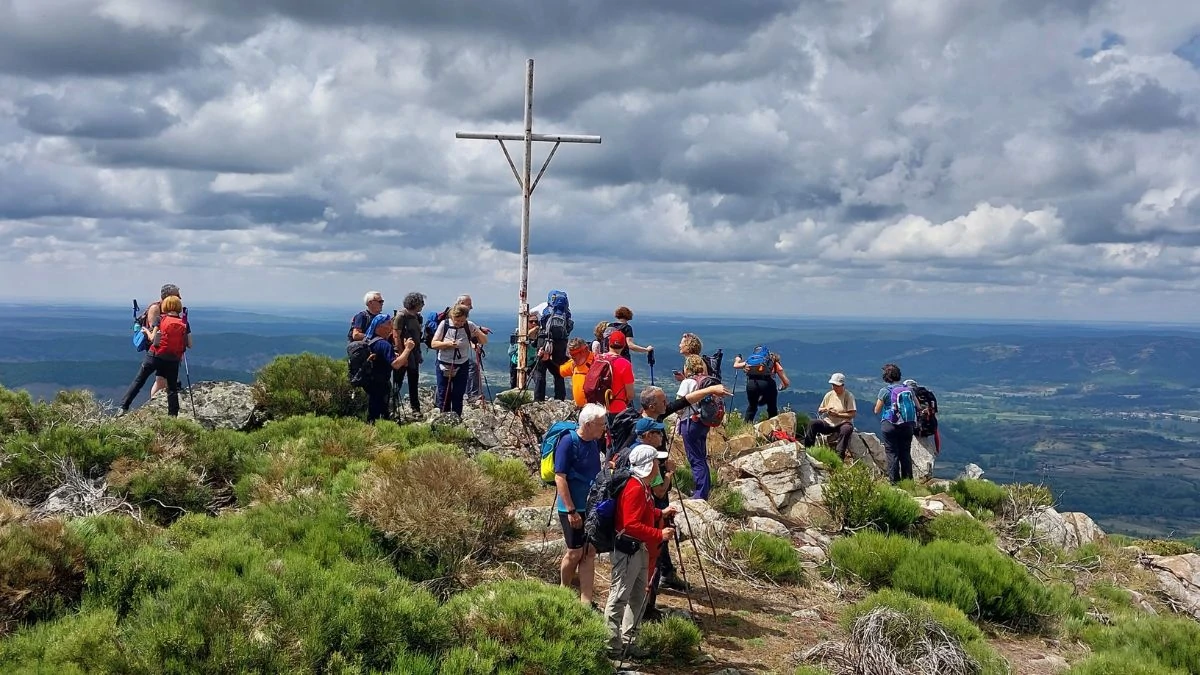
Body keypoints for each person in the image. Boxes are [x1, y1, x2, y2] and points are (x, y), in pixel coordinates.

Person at [605, 444, 677, 659]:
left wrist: (659, 512)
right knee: (619, 597)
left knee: (638, 596)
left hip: (638, 549)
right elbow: (630, 524)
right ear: (649, 464)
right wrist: (658, 535)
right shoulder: (635, 488)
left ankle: (627, 642)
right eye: (656, 461)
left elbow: (642, 511)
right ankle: (612, 647)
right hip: (629, 550)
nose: (659, 465)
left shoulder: (641, 485)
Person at [554, 403, 607, 608]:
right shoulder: (568, 442)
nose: (603, 428)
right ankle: (563, 592)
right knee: (575, 552)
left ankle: (586, 602)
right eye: (600, 424)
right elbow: (560, 478)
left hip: (591, 507)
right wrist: (571, 510)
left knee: (589, 551)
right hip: (571, 509)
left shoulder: (593, 442)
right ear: (588, 424)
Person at [120, 295, 192, 417]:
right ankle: (172, 416)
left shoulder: (160, 319)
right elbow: (190, 344)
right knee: (172, 389)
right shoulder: (184, 323)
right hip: (173, 359)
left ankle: (124, 407)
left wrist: (146, 331)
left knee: (139, 380)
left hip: (155, 356)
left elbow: (153, 338)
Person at [430, 304, 488, 416]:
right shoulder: (445, 324)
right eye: (457, 320)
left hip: (462, 363)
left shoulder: (469, 325)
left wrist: (477, 333)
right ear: (452, 316)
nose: (460, 323)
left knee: (458, 393)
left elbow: (484, 341)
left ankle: (457, 417)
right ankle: (444, 418)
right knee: (444, 393)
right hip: (444, 362)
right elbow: (434, 343)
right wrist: (447, 344)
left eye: (462, 321)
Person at [675, 355, 717, 499]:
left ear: (687, 368)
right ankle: (705, 489)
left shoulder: (687, 382)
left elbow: (679, 404)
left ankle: (700, 494)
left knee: (695, 458)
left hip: (689, 422)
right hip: (703, 422)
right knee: (701, 456)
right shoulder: (706, 380)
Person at [362, 315, 418, 423]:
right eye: (388, 324)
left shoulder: (369, 340)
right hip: (381, 382)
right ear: (379, 327)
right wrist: (408, 349)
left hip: (369, 380)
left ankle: (369, 429)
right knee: (381, 411)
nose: (390, 326)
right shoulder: (384, 344)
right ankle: (379, 431)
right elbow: (396, 364)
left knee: (372, 409)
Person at [138, 283, 186, 399]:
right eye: (177, 294)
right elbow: (153, 332)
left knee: (162, 379)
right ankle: (154, 404)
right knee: (160, 380)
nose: (179, 297)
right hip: (157, 349)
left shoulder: (168, 309)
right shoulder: (156, 308)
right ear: (168, 295)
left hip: (167, 349)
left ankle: (159, 402)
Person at [874, 363, 915, 483]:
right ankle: (908, 482)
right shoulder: (908, 390)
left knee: (892, 453)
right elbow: (916, 406)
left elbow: (877, 410)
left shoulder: (884, 391)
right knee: (905, 453)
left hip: (889, 425)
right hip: (907, 425)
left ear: (886, 377)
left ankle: (894, 483)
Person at [803, 373, 857, 460]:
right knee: (813, 424)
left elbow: (852, 414)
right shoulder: (829, 395)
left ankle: (839, 457)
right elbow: (820, 409)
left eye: (836, 385)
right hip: (829, 422)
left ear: (842, 385)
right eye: (833, 385)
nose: (834, 387)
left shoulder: (848, 396)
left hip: (843, 422)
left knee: (846, 429)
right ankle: (808, 450)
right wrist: (826, 409)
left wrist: (838, 414)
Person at [732, 347, 791, 422]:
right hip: (767, 384)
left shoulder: (751, 361)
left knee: (752, 407)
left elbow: (736, 365)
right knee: (772, 407)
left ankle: (746, 426)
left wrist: (737, 359)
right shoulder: (773, 362)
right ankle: (774, 427)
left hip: (752, 384)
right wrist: (782, 387)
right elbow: (786, 382)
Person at [391, 292, 425, 415]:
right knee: (398, 381)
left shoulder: (416, 316)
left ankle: (415, 408)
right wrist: (402, 355)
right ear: (415, 304)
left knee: (413, 380)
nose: (423, 305)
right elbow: (396, 335)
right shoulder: (401, 316)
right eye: (421, 302)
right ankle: (392, 406)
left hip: (414, 353)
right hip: (405, 353)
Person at [454, 294, 491, 402]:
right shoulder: (454, 317)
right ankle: (473, 395)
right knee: (472, 367)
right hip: (453, 352)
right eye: (469, 304)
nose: (471, 307)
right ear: (461, 304)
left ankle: (470, 394)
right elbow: (461, 333)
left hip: (456, 351)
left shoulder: (456, 316)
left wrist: (473, 343)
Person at [600, 331, 636, 415]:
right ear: (624, 346)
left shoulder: (598, 358)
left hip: (598, 407)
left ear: (609, 343)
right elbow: (630, 394)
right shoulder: (625, 364)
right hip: (617, 409)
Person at [509, 312, 541, 390]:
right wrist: (533, 331)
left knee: (539, 379)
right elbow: (512, 349)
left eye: (536, 322)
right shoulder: (519, 333)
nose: (534, 323)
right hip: (516, 362)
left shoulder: (540, 334)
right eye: (531, 321)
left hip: (531, 362)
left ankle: (538, 399)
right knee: (514, 383)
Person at [560, 338, 595, 408]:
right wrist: (547, 360)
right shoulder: (573, 364)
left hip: (594, 409)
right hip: (580, 409)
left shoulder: (596, 362)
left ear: (584, 351)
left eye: (575, 354)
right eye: (570, 354)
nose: (572, 357)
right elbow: (560, 371)